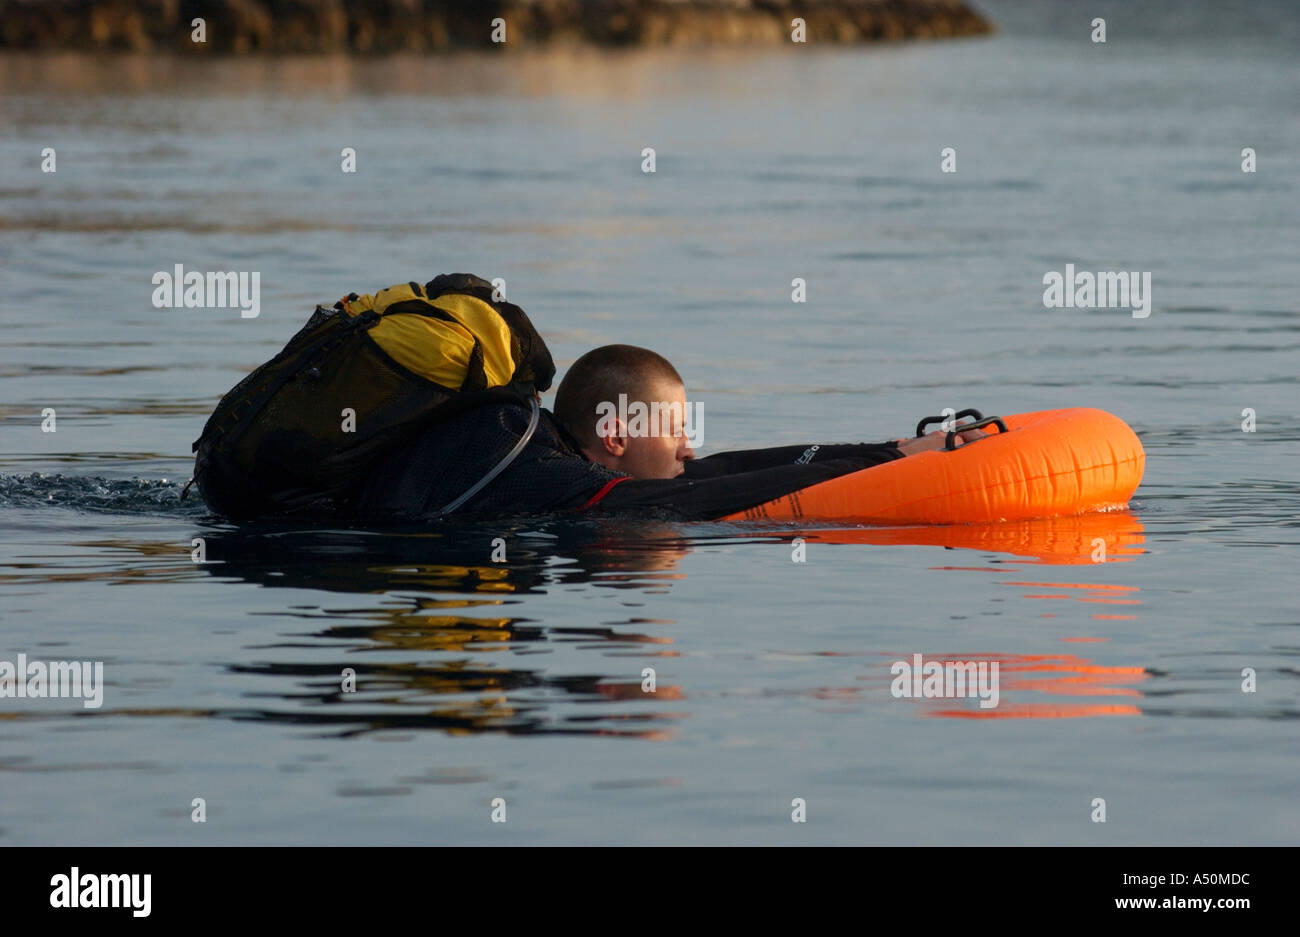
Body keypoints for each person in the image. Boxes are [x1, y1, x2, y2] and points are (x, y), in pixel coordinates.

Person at [355, 344, 986, 522]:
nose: (689, 446)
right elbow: (687, 499)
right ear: (616, 435)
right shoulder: (548, 475)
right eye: (675, 430)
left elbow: (719, 471)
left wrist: (891, 450)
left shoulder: (537, 443)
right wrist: (888, 475)